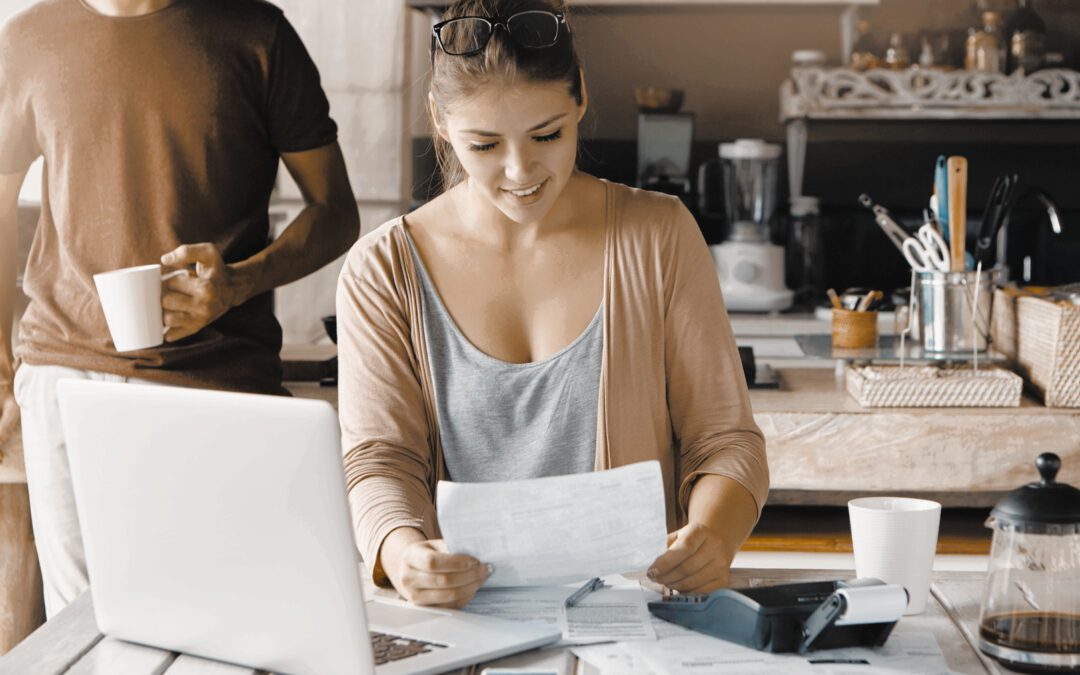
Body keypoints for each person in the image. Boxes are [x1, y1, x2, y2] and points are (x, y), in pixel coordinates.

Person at [336, 0, 767, 609]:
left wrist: (713, 536)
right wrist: (402, 554)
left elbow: (725, 440)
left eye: (547, 135)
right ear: (439, 119)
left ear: (581, 96)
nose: (520, 171)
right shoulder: (382, 269)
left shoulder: (659, 235)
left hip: (638, 620)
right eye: (485, 145)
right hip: (464, 622)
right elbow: (380, 460)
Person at [0, 0, 359, 618]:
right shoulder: (29, 39)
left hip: (219, 380)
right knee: (84, 628)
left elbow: (336, 211)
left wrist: (239, 282)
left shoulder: (258, 35)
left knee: (219, 623)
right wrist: (3, 367)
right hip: (64, 372)